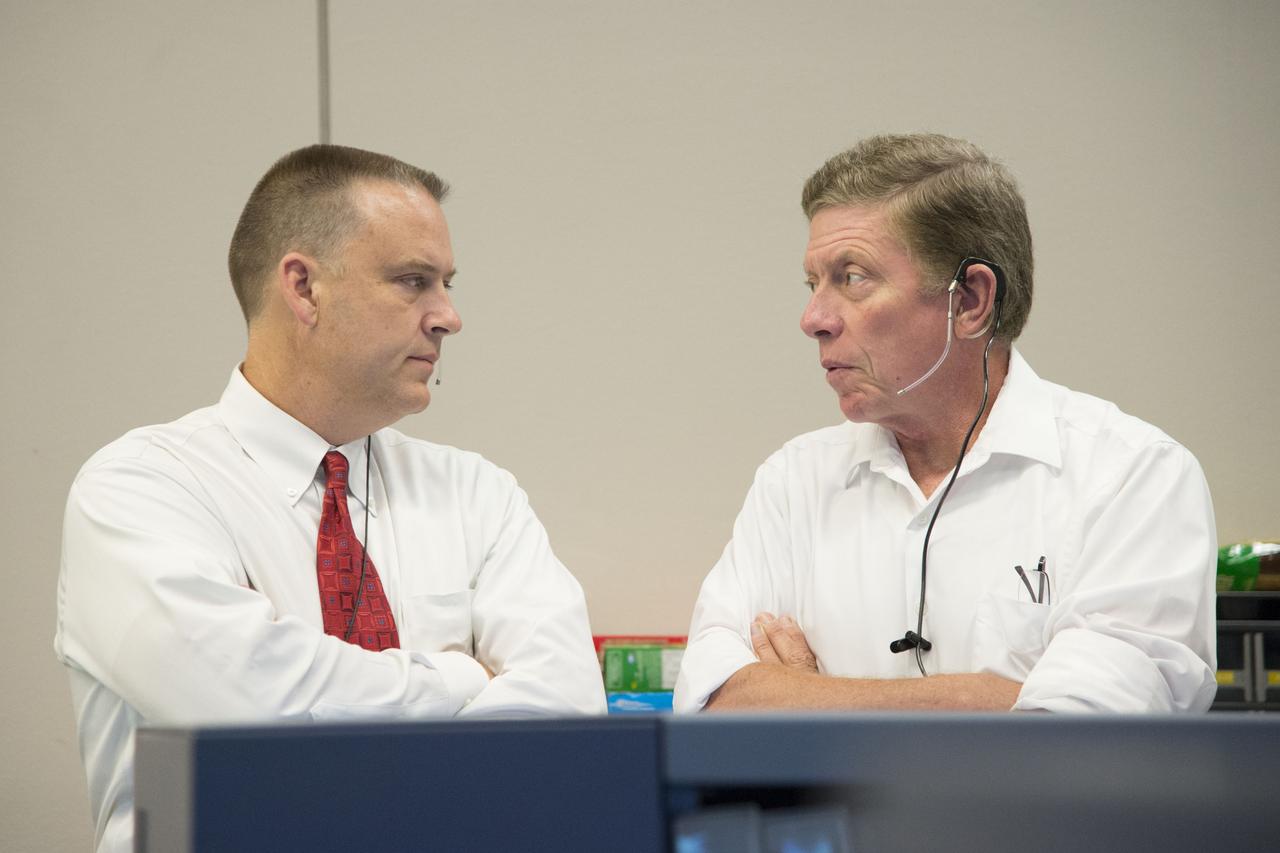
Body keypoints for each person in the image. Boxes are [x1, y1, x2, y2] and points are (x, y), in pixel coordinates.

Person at [55, 144, 606, 853]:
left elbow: (565, 714)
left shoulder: (478, 495)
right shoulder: (140, 489)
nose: (448, 317)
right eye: (414, 281)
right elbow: (256, 718)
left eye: (446, 283)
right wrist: (461, 676)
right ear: (304, 287)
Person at [673, 133, 1217, 714]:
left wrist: (805, 697)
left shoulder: (1131, 476)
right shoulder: (793, 483)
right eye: (813, 283)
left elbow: (1077, 745)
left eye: (852, 277)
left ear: (972, 299)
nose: (814, 319)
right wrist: (978, 696)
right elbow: (713, 702)